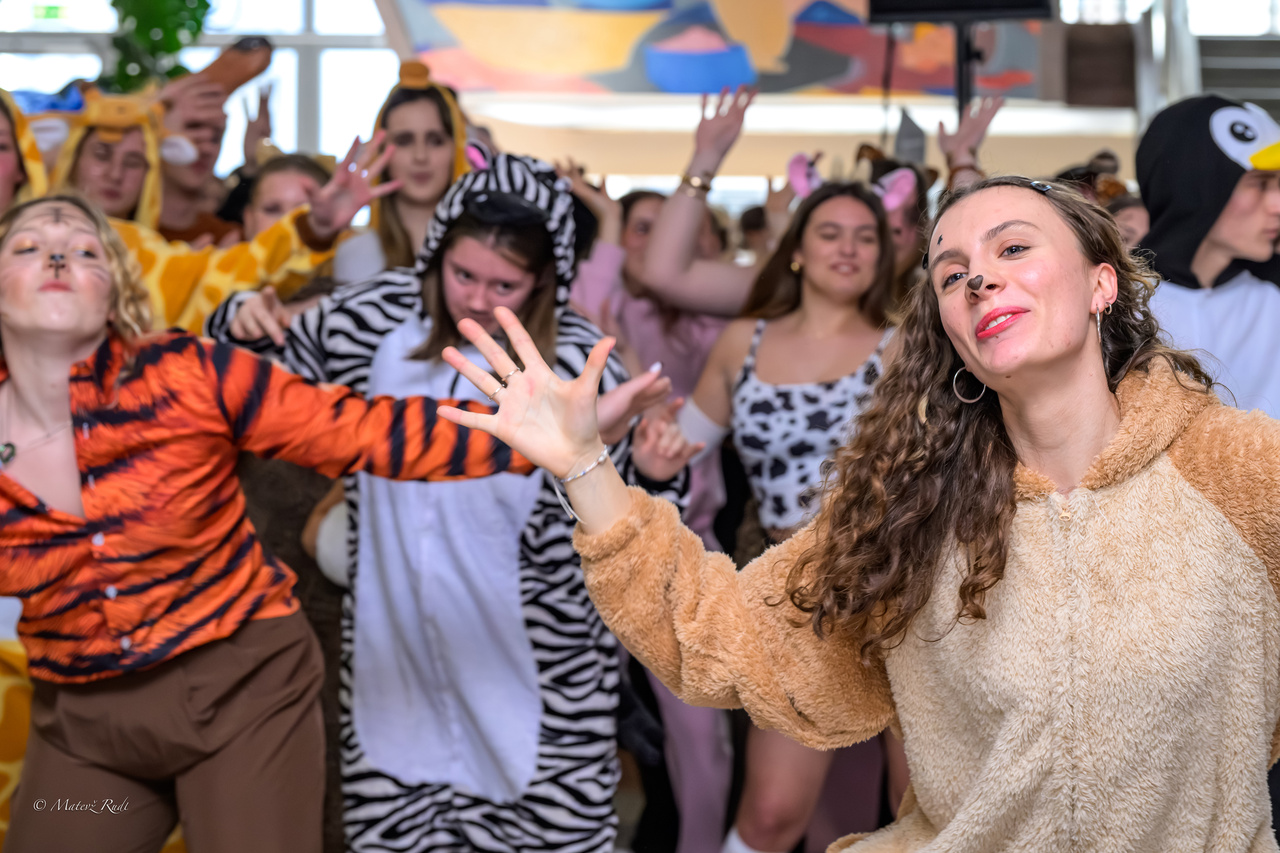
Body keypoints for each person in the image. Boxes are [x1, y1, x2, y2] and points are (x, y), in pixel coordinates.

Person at [440, 174, 1280, 851]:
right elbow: (723, 635)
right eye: (951, 273)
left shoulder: (1236, 468)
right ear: (952, 332)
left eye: (1013, 247)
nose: (979, 277)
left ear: (1102, 282)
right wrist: (584, 465)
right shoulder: (913, 509)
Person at [0, 193, 540, 853]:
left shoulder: (189, 373)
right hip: (85, 730)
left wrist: (537, 435)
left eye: (86, 251)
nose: (57, 256)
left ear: (114, 296)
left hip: (243, 699)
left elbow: (362, 431)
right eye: (28, 247)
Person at [209, 152, 689, 853]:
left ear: (545, 280)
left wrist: (657, 472)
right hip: (393, 670)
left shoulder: (581, 359)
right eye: (463, 274)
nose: (477, 298)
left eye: (504, 284)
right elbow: (245, 378)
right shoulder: (371, 318)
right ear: (435, 255)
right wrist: (239, 315)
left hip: (542, 687)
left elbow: (629, 523)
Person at [676, 180, 897, 853]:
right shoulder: (743, 340)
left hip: (894, 589)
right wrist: (640, 439)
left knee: (920, 808)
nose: (848, 248)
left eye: (865, 236)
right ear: (796, 248)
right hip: (795, 599)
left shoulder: (903, 345)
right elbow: (680, 447)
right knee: (772, 814)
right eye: (830, 232)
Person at [1138, 94, 1280, 419]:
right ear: (1195, 186)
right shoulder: (1112, 300)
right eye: (1260, 184)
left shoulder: (1272, 291)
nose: (1278, 205)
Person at [50, 89, 162, 227]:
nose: (115, 175)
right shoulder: (29, 235)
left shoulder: (164, 242)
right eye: (101, 155)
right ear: (73, 159)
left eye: (133, 163)